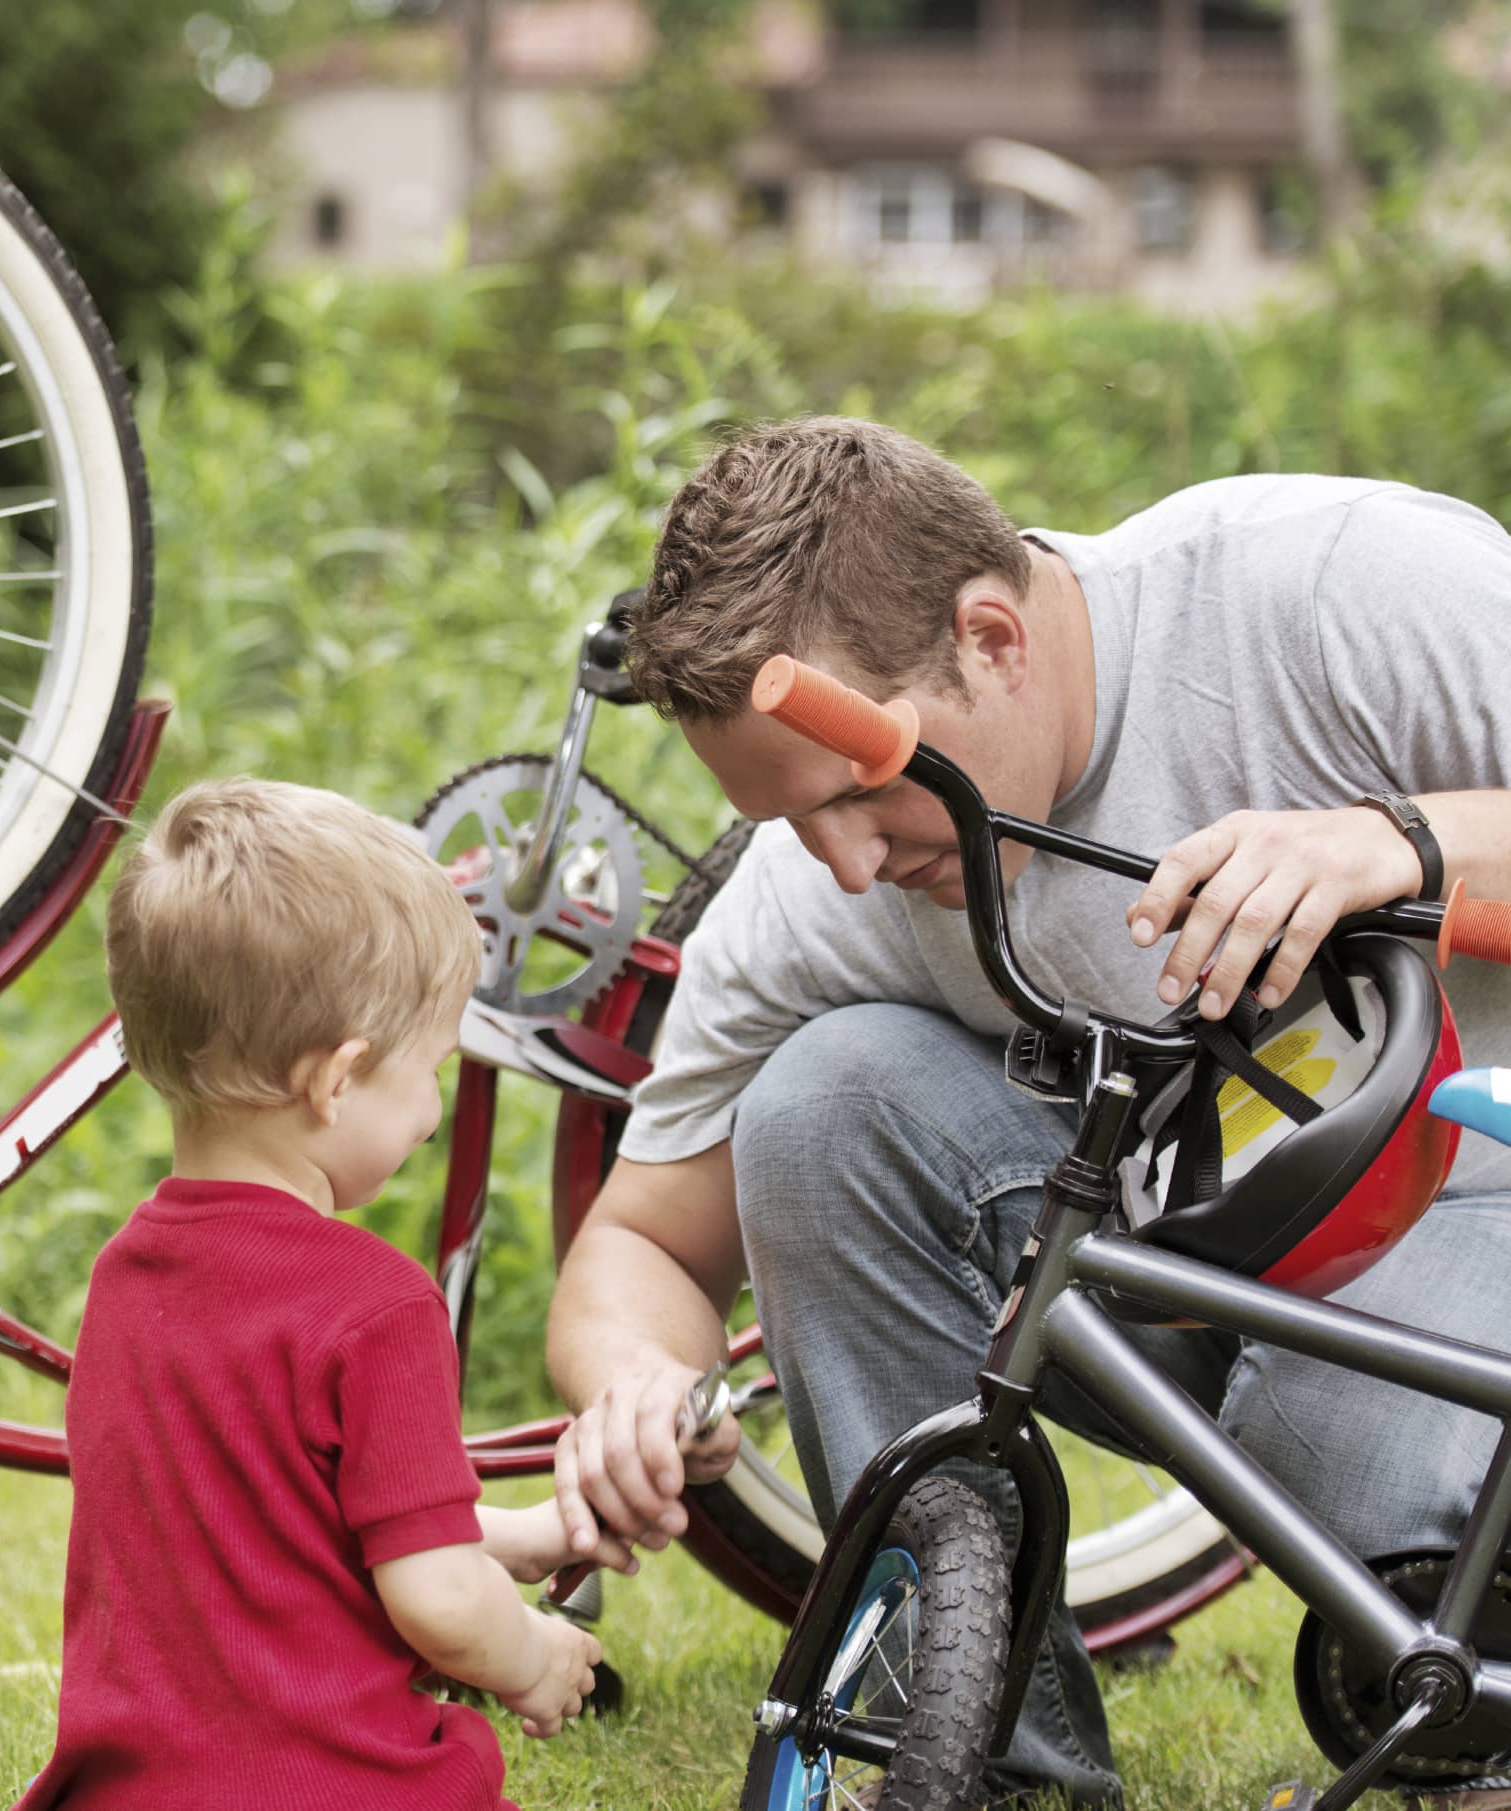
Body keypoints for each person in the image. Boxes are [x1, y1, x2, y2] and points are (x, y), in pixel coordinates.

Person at [541, 417, 1511, 1806]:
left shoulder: (1339, 593)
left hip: (1473, 1197)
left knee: (1383, 1532)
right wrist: (636, 1377)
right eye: (789, 822)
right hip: (1197, 1273)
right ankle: (992, 1761)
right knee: (822, 1105)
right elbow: (635, 1243)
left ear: (990, 635)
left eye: (859, 791)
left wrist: (1397, 839)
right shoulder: (823, 876)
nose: (845, 866)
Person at [15, 777, 603, 1811]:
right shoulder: (377, 1306)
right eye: (431, 1066)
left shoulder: (124, 1280)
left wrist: (518, 1535)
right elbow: (437, 1596)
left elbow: (277, 1528)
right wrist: (532, 1655)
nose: (432, 1106)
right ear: (336, 1080)